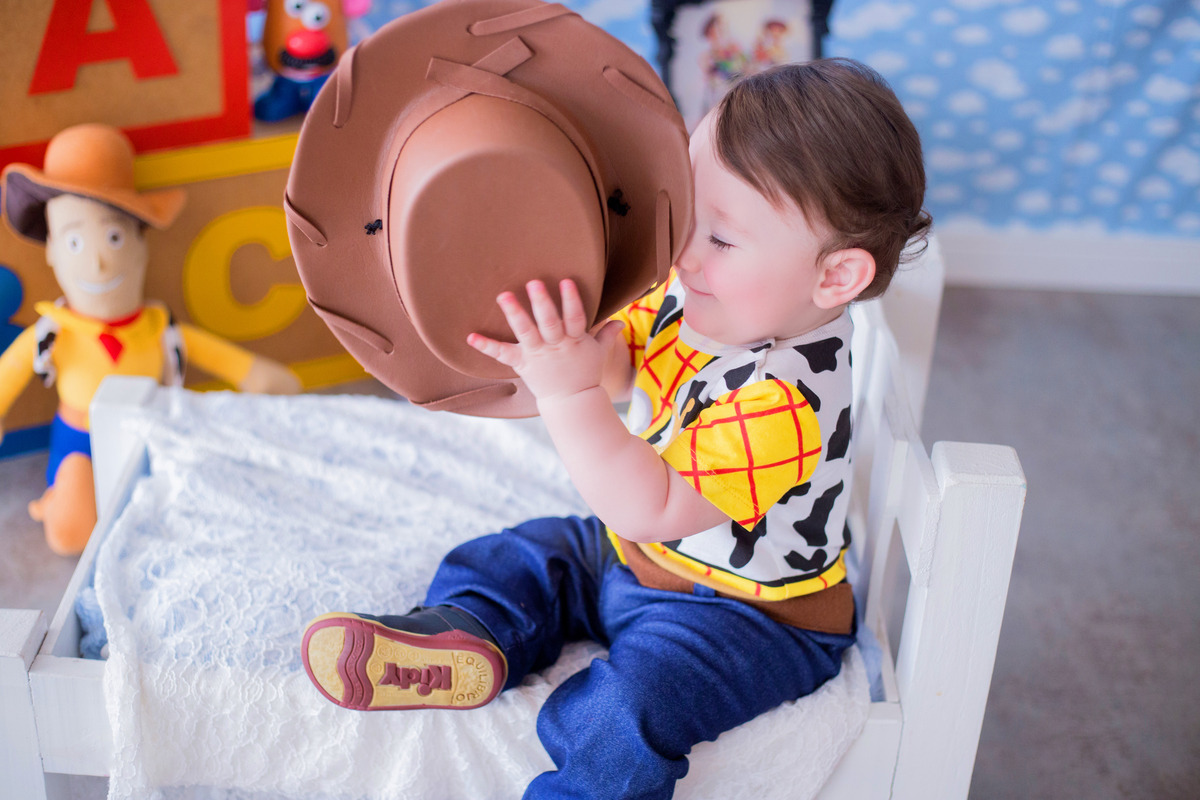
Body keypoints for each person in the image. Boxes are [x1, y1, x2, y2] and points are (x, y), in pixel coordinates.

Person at [301, 58, 931, 799]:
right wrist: (567, 346)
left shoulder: (789, 405)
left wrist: (567, 393)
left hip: (747, 618)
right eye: (690, 212)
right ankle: (464, 638)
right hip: (635, 558)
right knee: (523, 557)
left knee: (629, 710)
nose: (686, 250)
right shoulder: (707, 293)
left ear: (835, 279)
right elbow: (620, 361)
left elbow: (647, 504)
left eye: (722, 239)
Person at [0, 124, 301, 555]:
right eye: (73, 240)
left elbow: (212, 353)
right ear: (50, 249)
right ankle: (62, 501)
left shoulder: (159, 330)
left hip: (150, 430)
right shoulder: (52, 334)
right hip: (77, 442)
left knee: (179, 511)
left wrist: (255, 374)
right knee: (71, 532)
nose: (99, 261)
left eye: (114, 236)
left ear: (141, 244)